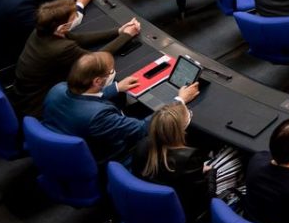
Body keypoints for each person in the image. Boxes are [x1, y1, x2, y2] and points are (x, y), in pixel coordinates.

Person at [44, 52, 188, 163]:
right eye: (110, 72)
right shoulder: (99, 117)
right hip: (115, 157)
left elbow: (84, 98)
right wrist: (178, 101)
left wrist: (116, 88)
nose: (113, 73)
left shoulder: (57, 89)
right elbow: (142, 129)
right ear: (97, 81)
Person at [12, 0, 141, 115]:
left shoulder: (41, 31)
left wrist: (118, 31)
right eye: (73, 17)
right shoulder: (61, 48)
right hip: (42, 104)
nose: (76, 18)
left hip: (25, 95)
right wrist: (127, 35)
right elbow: (95, 59)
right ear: (62, 27)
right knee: (109, 80)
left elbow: (78, 38)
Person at [134, 100, 242, 223]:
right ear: (182, 130)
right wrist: (211, 172)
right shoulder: (188, 159)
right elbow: (208, 196)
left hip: (153, 207)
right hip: (188, 214)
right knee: (233, 154)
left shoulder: (142, 146)